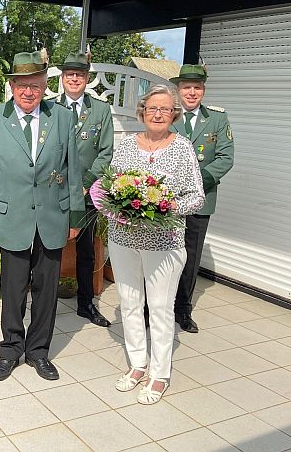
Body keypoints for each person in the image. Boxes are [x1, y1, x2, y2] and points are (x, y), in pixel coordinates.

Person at [0, 50, 85, 382]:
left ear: (44, 86)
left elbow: (74, 171)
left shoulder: (62, 118)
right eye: (21, 85)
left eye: (35, 86)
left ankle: (38, 352)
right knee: (12, 289)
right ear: (12, 85)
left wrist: (75, 217)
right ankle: (10, 350)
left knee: (47, 290)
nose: (28, 92)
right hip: (10, 218)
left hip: (53, 218)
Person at [107, 84, 204, 404]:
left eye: (165, 109)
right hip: (124, 238)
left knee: (161, 309)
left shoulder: (183, 147)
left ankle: (160, 373)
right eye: (152, 108)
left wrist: (169, 207)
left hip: (165, 242)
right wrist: (117, 205)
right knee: (129, 302)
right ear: (143, 112)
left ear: (174, 113)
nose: (158, 114)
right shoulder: (125, 146)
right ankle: (137, 364)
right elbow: (110, 187)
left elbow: (197, 196)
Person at [170, 64, 234, 333]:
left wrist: (198, 182)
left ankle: (182, 309)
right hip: (169, 199)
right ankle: (155, 306)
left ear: (203, 90)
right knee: (164, 254)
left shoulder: (217, 119)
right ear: (179, 90)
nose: (192, 92)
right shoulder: (168, 115)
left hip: (200, 199)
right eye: (187, 87)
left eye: (197, 87)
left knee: (191, 256)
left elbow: (226, 157)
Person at [53, 50, 113, 327]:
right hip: (53, 192)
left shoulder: (100, 110)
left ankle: (86, 303)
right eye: (69, 74)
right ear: (62, 78)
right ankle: (46, 301)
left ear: (87, 78)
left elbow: (105, 153)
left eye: (79, 75)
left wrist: (85, 184)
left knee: (86, 250)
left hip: (86, 194)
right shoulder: (49, 106)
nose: (74, 79)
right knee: (47, 247)